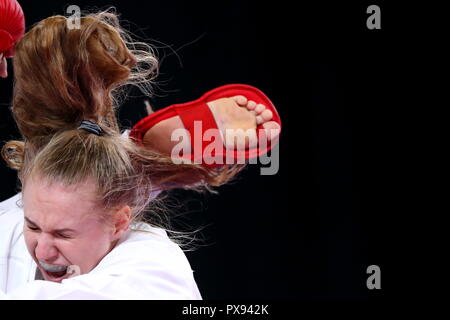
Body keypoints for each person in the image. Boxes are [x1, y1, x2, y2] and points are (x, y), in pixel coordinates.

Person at [0, 9, 281, 299]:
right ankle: (139, 161)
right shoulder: (17, 219)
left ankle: (138, 161)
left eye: (63, 234)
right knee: (47, 208)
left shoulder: (150, 268)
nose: (43, 250)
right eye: (32, 226)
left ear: (120, 222)